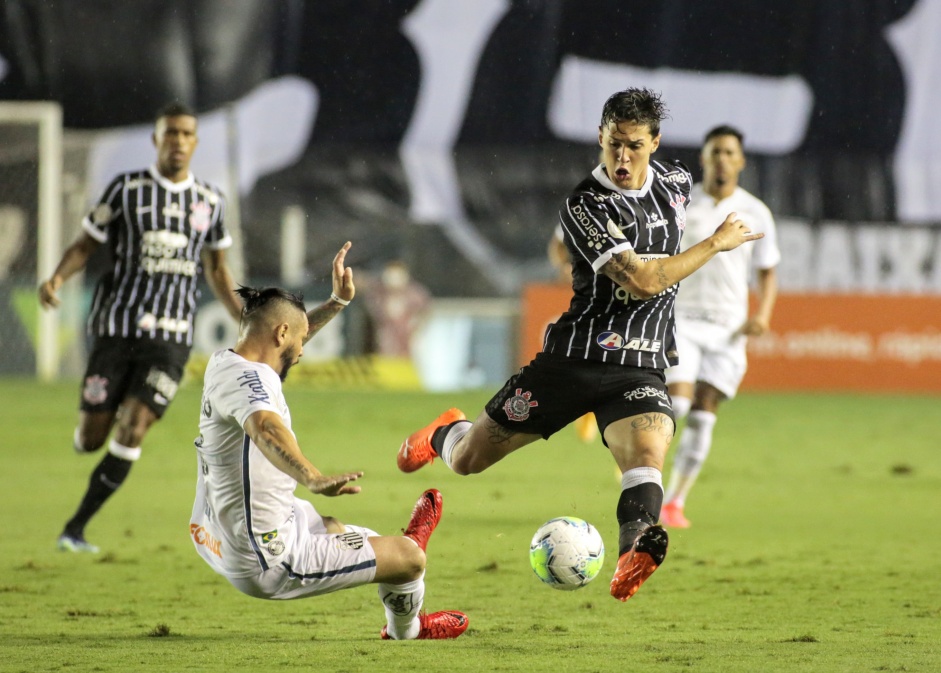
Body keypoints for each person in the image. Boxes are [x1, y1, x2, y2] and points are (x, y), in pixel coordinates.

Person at [396, 88, 763, 603]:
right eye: (613, 143)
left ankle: (634, 552)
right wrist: (716, 243)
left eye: (635, 145)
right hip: (573, 363)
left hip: (641, 366)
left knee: (648, 453)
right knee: (467, 461)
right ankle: (443, 432)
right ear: (599, 137)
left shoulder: (678, 184)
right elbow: (643, 281)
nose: (622, 157)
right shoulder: (585, 205)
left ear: (654, 143)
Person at [189, 250, 468, 641]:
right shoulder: (251, 384)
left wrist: (337, 302)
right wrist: (312, 477)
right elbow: (265, 428)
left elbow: (291, 338)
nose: (303, 351)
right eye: (299, 340)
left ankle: (391, 554)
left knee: (342, 530)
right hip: (267, 557)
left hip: (222, 529)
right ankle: (409, 628)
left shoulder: (229, 362)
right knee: (408, 561)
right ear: (280, 335)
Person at [38, 102, 244, 553]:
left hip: (170, 340)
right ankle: (89, 432)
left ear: (195, 142)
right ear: (156, 139)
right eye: (170, 133)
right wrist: (56, 277)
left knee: (134, 426)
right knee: (94, 438)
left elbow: (218, 269)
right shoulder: (126, 190)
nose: (178, 141)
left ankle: (75, 528)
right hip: (116, 330)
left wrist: (241, 317)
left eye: (186, 134)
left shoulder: (209, 201)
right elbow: (84, 245)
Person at [660, 126, 780, 529]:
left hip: (728, 330)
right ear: (704, 158)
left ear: (741, 161)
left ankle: (674, 502)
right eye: (716, 152)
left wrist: (762, 314)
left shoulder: (756, 211)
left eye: (730, 152)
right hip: (682, 321)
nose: (723, 160)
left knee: (704, 415)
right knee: (676, 404)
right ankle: (643, 478)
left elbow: (767, 271)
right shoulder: (681, 204)